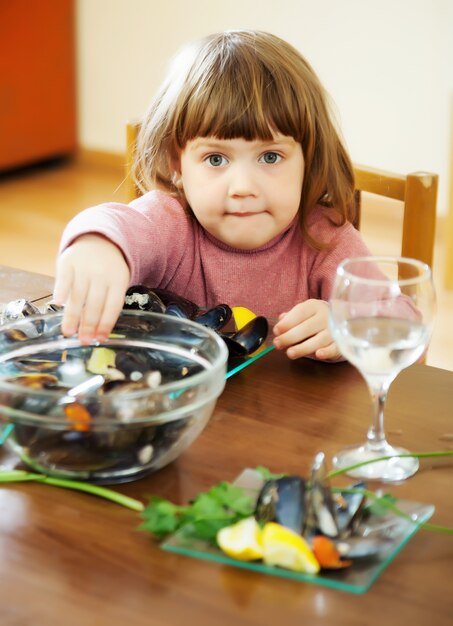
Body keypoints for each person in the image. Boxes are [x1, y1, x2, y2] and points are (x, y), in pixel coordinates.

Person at [54, 29, 371, 360]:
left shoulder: (327, 240)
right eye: (216, 159)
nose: (244, 187)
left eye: (270, 157)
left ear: (309, 157)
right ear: (178, 163)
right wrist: (99, 245)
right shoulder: (170, 221)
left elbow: (400, 320)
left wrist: (350, 328)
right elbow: (120, 223)